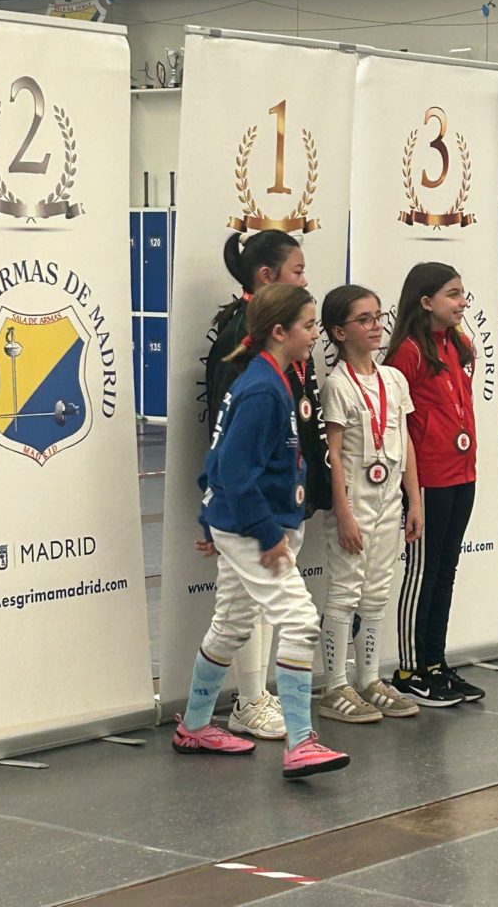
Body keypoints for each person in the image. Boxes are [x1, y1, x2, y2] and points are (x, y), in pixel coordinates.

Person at [174, 284, 349, 779]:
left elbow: (217, 460)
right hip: (253, 529)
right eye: (308, 326)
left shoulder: (267, 380)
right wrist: (265, 534)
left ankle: (194, 726)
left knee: (231, 623)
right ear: (279, 331)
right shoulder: (262, 389)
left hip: (243, 524)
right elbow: (231, 469)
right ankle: (301, 742)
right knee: (300, 620)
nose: (314, 335)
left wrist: (211, 520)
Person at [203, 230, 331, 741]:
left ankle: (198, 721)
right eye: (297, 271)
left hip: (277, 498)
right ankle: (267, 713)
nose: (304, 278)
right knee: (285, 616)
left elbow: (300, 417)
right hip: (250, 509)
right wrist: (216, 506)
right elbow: (226, 442)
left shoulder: (285, 353)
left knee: (237, 616)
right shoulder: (247, 353)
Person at [318, 285, 422, 723]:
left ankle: (369, 679)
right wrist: (343, 513)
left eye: (378, 316)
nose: (376, 326)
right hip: (354, 505)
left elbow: (407, 442)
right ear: (339, 332)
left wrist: (414, 501)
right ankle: (334, 686)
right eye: (364, 319)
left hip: (388, 501)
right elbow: (333, 454)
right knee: (345, 592)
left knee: (377, 591)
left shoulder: (393, 380)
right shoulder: (337, 386)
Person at [385, 263, 486, 708]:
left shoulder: (458, 344)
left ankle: (435, 663)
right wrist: (411, 494)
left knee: (446, 570)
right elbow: (398, 424)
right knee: (422, 572)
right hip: (427, 480)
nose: (462, 301)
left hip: (463, 473)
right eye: (453, 294)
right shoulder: (407, 353)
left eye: (463, 293)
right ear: (426, 302)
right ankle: (409, 671)